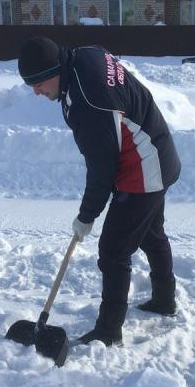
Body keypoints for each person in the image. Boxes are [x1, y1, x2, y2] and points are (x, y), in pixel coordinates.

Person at [18, 37, 181, 346]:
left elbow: (102, 170)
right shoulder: (84, 55)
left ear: (55, 68)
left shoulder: (89, 101)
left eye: (38, 82)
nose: (36, 91)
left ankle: (108, 331)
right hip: (158, 152)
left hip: (145, 168)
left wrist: (86, 215)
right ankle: (164, 299)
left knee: (113, 250)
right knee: (150, 233)